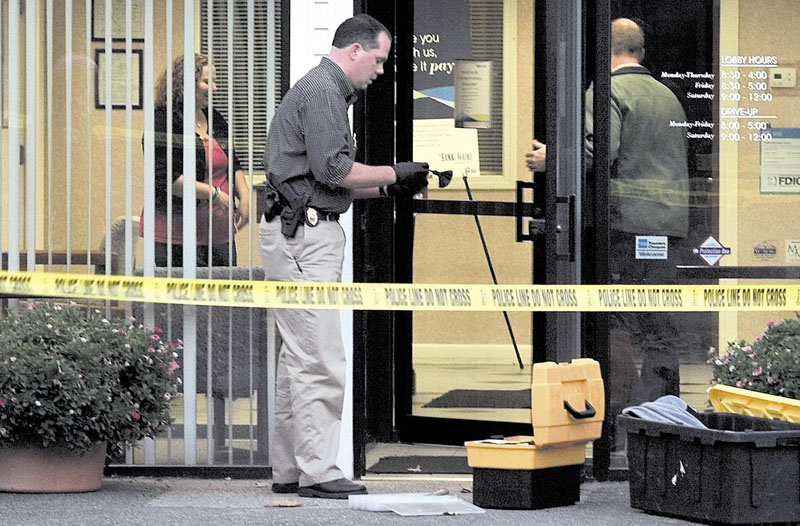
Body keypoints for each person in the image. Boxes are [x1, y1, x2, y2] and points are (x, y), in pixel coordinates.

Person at [259, 14, 429, 499]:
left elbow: (320, 183)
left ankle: (291, 469)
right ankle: (319, 472)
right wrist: (393, 174)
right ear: (353, 51)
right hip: (303, 239)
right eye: (378, 60)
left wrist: (387, 185)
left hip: (297, 231)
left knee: (298, 356)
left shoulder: (321, 91)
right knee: (321, 356)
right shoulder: (324, 92)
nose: (380, 71)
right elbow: (333, 168)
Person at [526, 18, 689, 402]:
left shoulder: (607, 91)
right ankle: (660, 409)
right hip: (669, 226)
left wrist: (553, 159)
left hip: (625, 226)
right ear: (641, 52)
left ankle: (616, 413)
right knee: (658, 322)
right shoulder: (668, 95)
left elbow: (596, 152)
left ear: (604, 51)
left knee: (613, 320)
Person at [140, 53, 250, 267]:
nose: (215, 88)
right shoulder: (163, 121)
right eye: (208, 82)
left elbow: (233, 164)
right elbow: (166, 179)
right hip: (175, 235)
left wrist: (244, 197)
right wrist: (215, 194)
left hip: (219, 235)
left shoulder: (215, 118)